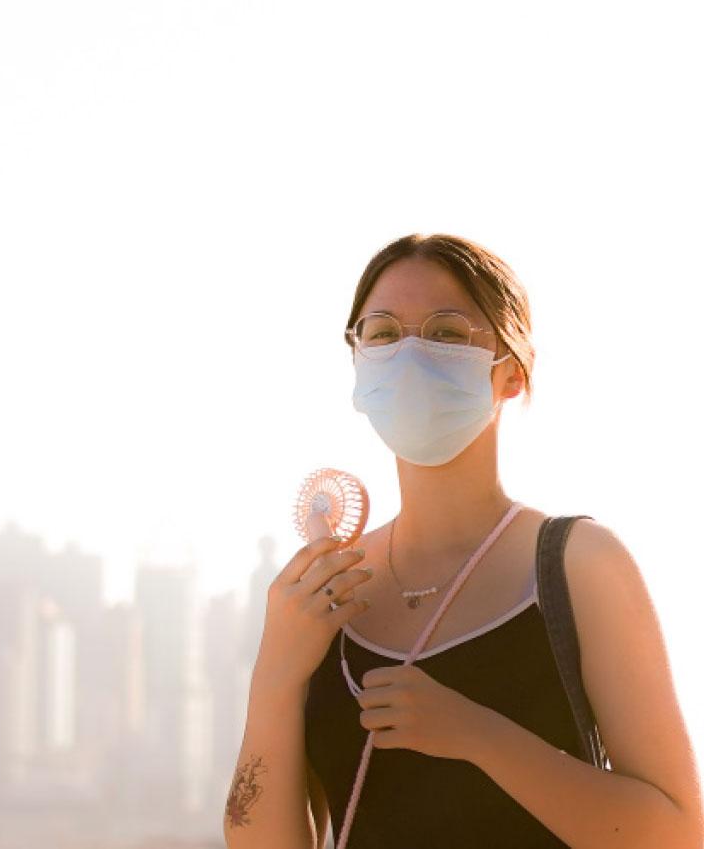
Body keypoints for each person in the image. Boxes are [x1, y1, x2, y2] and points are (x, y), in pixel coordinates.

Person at [223, 233, 704, 848]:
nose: (410, 354)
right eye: (383, 333)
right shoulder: (324, 596)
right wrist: (275, 676)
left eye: (447, 333)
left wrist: (478, 735)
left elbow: (676, 834)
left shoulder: (577, 565)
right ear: (358, 363)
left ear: (512, 373)